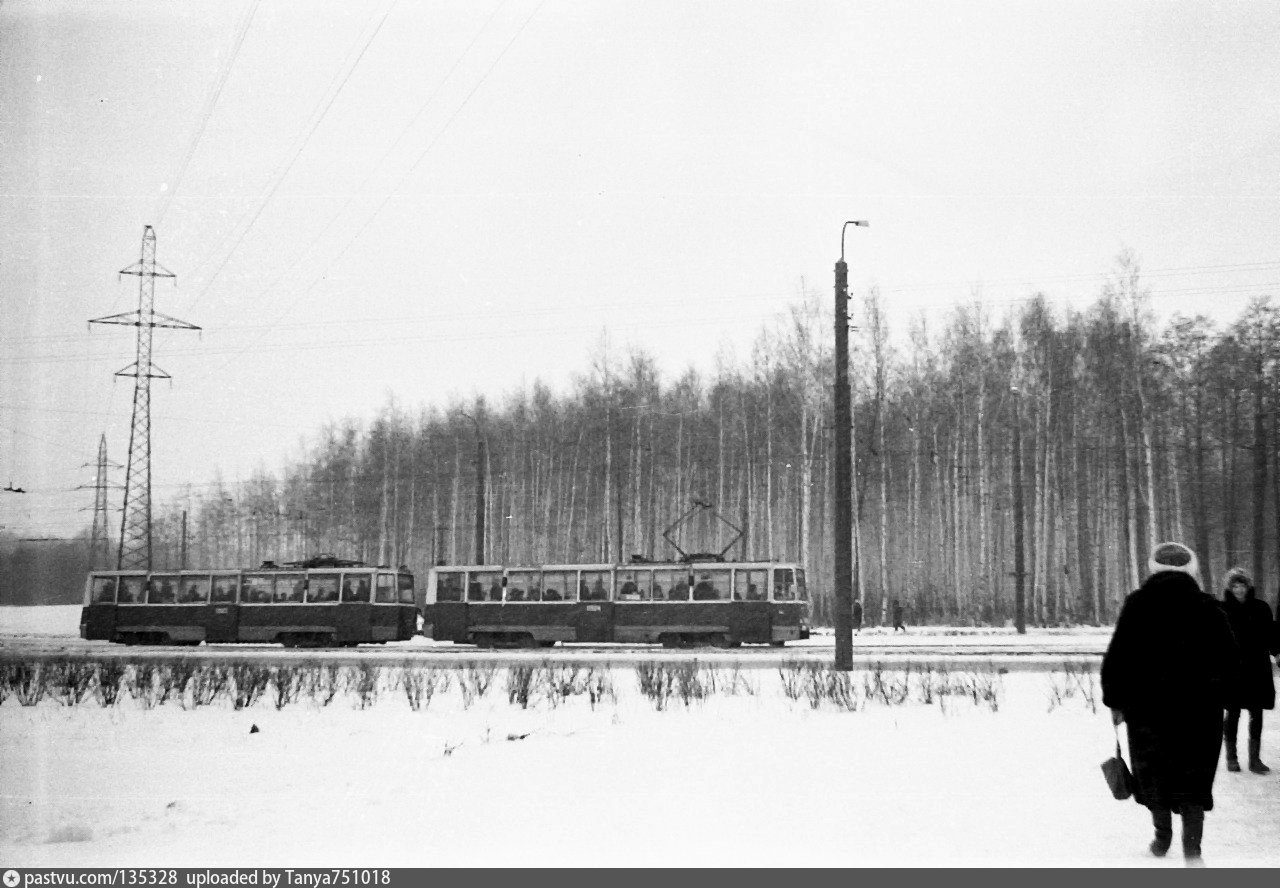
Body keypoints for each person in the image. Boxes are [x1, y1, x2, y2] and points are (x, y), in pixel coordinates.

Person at [1101, 542, 1239, 864]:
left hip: (1147, 712)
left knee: (1155, 777)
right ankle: (1193, 851)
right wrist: (1221, 693)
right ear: (1191, 569)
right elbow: (1231, 660)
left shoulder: (1137, 605)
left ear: (1154, 568)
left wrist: (1115, 701)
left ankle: (1162, 838)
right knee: (1194, 780)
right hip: (1199, 713)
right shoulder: (1208, 607)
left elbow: (1117, 657)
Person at [1218, 567, 1276, 774]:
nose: (1239, 589)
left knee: (1256, 713)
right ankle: (1231, 758)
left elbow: (1272, 634)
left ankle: (1255, 759)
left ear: (1247, 586)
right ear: (1230, 587)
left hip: (1257, 668)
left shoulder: (1261, 608)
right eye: (1235, 585)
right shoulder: (1221, 609)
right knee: (1232, 713)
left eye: (1242, 585)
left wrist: (1277, 653)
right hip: (1232, 669)